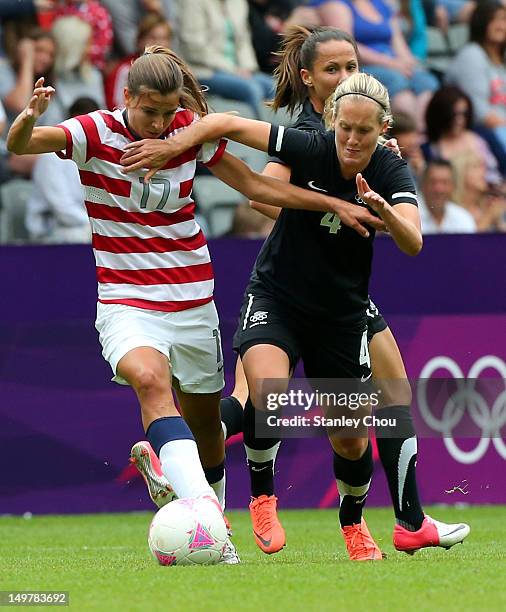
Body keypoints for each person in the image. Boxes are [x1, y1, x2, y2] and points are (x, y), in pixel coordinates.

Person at [7, 45, 382, 563]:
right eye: (149, 112)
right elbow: (23, 143)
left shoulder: (186, 132)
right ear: (127, 97)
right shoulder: (93, 132)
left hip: (191, 300)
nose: (160, 124)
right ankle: (208, 516)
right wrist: (27, 119)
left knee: (208, 426)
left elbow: (253, 185)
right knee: (150, 381)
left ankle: (194, 495)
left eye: (167, 113)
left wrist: (335, 203)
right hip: (126, 298)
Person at [120, 66, 470, 560]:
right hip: (277, 296)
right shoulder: (310, 147)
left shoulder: (391, 171)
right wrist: (170, 146)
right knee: (268, 392)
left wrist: (383, 211)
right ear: (332, 120)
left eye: (363, 131)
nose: (350, 139)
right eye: (344, 127)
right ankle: (261, 496)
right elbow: (226, 124)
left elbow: (412, 240)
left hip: (340, 316)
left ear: (382, 130)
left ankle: (354, 523)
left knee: (351, 440)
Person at [305, 0, 439, 129]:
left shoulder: (381, 4)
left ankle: (422, 137)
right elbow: (346, 47)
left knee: (425, 81)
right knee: (397, 82)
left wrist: (408, 63)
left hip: (392, 64)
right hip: (361, 65)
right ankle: (406, 137)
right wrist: (391, 63)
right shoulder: (334, 4)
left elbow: (397, 41)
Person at [178, 0, 274, 119]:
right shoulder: (193, 3)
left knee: (274, 87)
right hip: (205, 71)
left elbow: (243, 40)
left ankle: (284, 131)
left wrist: (247, 68)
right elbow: (194, 47)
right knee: (252, 89)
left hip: (240, 70)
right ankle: (260, 133)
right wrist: (234, 70)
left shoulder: (238, 3)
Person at [25, 96, 98, 243]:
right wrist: (97, 225)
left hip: (84, 226)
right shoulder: (51, 157)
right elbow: (62, 208)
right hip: (49, 231)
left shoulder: (98, 155)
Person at [445, 1, 506, 158]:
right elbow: (479, 112)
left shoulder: (502, 59)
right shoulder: (471, 56)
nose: (501, 25)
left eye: (504, 19)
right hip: (484, 131)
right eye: (494, 20)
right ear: (481, 22)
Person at [418, 158, 477, 233]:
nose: (439, 189)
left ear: (453, 186)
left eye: (445, 183)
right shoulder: (409, 217)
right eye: (433, 182)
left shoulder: (463, 218)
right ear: (423, 185)